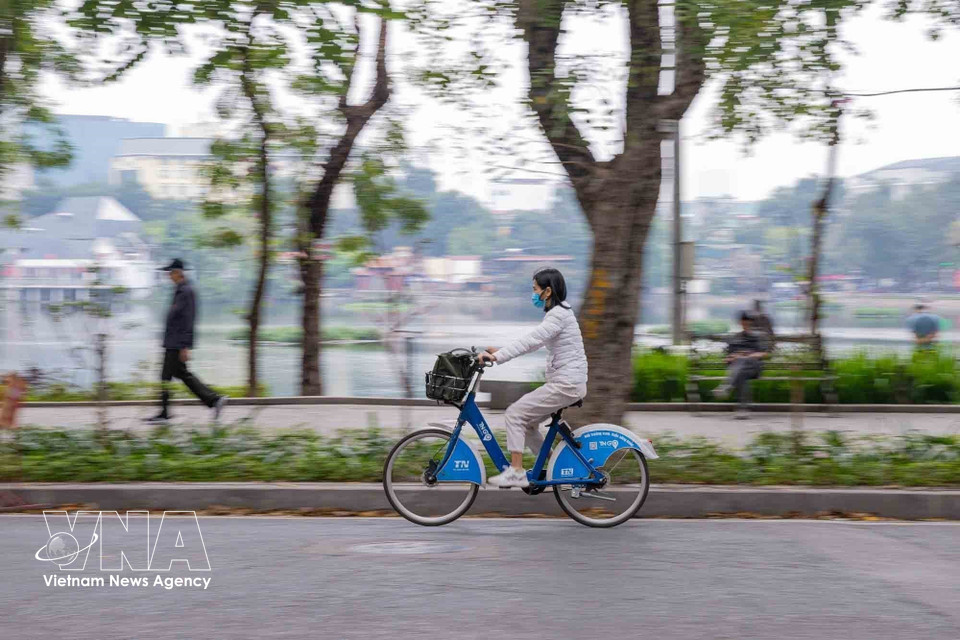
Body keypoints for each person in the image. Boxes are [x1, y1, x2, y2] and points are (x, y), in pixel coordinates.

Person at [477, 267, 588, 488]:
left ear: (547, 292)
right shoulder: (560, 314)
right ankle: (557, 467)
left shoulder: (557, 316)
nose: (533, 294)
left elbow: (529, 341)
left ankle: (516, 471)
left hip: (566, 385)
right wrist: (499, 351)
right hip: (567, 382)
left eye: (534, 289)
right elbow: (533, 341)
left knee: (515, 414)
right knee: (526, 424)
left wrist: (497, 357)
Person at [145, 259, 226, 424]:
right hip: (172, 342)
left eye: (170, 273)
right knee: (180, 375)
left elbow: (188, 320)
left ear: (178, 273)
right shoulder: (180, 290)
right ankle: (213, 400)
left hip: (176, 343)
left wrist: (185, 346)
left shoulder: (186, 291)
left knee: (168, 377)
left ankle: (166, 413)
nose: (168, 276)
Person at [712, 310, 770, 418]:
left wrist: (750, 355)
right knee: (741, 374)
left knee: (742, 361)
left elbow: (764, 354)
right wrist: (732, 357)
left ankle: (727, 387)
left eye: (748, 321)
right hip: (738, 369)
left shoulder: (759, 336)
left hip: (754, 367)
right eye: (744, 321)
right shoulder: (734, 338)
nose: (746, 323)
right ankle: (743, 408)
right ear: (740, 322)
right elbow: (727, 359)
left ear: (751, 323)